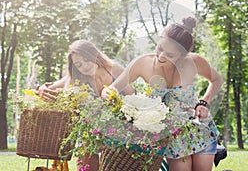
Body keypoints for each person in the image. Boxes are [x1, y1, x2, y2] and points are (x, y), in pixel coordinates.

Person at [101, 17, 223, 171]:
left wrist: (204, 101)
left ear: (183, 55)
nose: (161, 56)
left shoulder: (193, 61)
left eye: (170, 55)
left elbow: (217, 79)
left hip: (200, 129)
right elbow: (112, 88)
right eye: (160, 48)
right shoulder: (142, 64)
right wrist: (108, 93)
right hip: (173, 136)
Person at [37, 39, 133, 171]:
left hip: (119, 129)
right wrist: (41, 89)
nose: (85, 67)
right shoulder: (78, 77)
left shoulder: (114, 69)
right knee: (87, 150)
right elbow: (49, 87)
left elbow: (131, 98)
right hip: (91, 132)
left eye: (87, 60)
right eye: (79, 64)